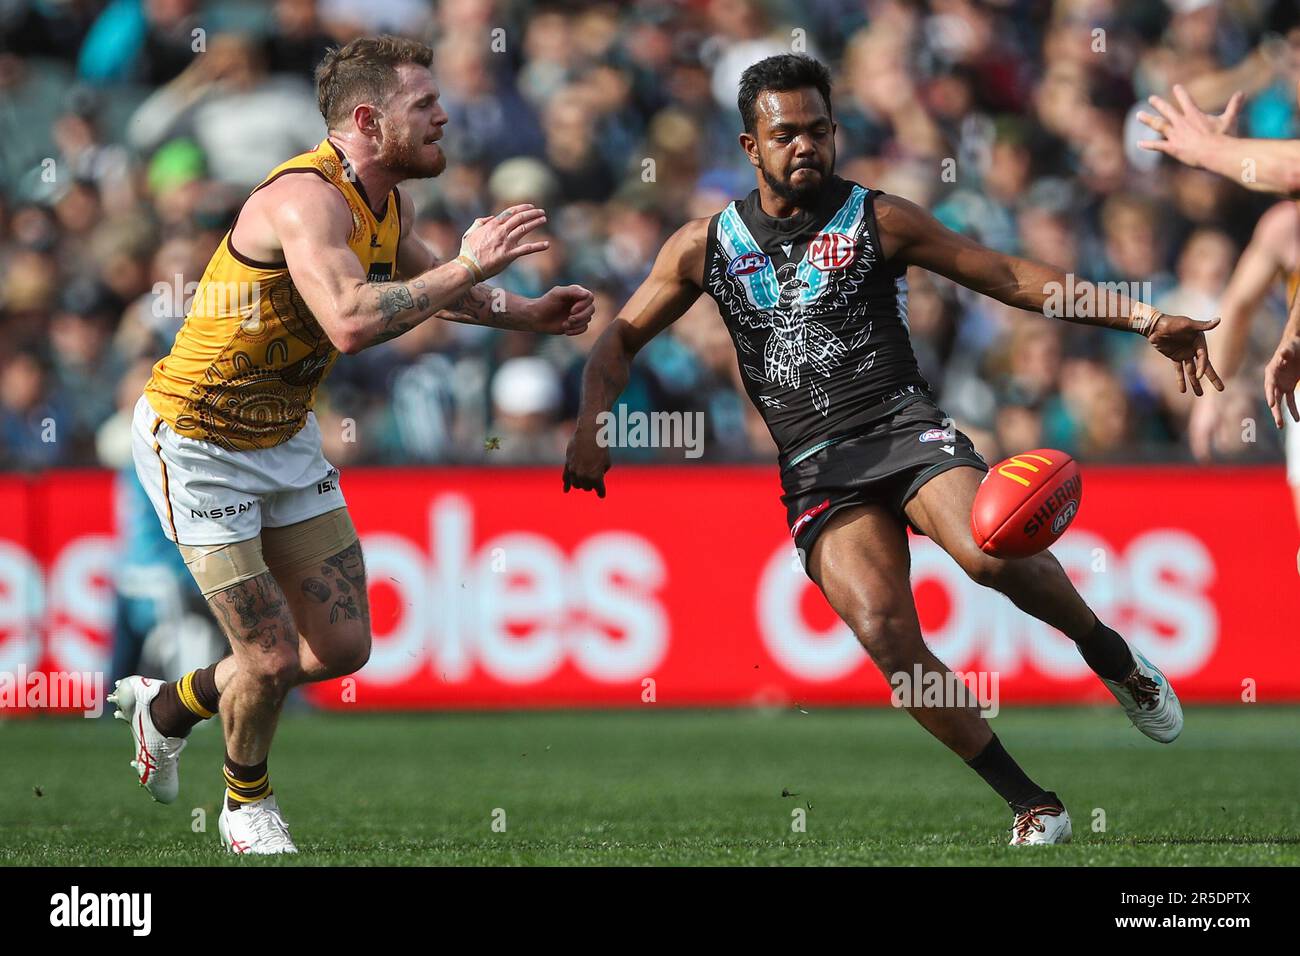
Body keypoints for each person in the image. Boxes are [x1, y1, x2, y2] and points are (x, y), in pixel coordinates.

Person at [564, 54, 1220, 845]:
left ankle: (1113, 658)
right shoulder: (702, 246)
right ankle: (1030, 802)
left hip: (903, 429)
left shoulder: (880, 218)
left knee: (988, 551)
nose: (804, 145)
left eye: (817, 129)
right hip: (815, 467)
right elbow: (619, 339)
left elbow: (1008, 274)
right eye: (785, 134)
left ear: (835, 131)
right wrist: (593, 425)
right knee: (884, 630)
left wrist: (1144, 321)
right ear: (749, 146)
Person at [110, 35, 594, 855]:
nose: (443, 114)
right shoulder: (306, 199)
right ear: (369, 119)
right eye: (424, 105)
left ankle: (165, 708)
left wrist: (530, 312)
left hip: (283, 436)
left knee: (341, 648)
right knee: (264, 657)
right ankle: (245, 808)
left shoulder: (385, 201)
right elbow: (354, 319)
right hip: (196, 438)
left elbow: (437, 287)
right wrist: (472, 263)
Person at [1139, 84, 1300, 528]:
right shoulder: (1285, 226)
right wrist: (1214, 395)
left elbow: (1290, 171)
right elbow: (1237, 309)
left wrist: (1213, 150)